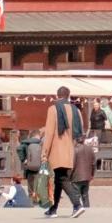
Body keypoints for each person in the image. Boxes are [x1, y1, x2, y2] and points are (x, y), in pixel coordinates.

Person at [41, 86, 84, 216]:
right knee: (59, 179)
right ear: (68, 96)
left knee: (62, 178)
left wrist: (44, 152)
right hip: (69, 149)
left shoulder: (53, 109)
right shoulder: (75, 110)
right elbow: (79, 129)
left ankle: (77, 204)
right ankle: (53, 209)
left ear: (57, 96)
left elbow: (49, 132)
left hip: (56, 149)